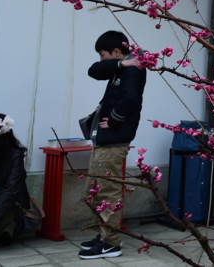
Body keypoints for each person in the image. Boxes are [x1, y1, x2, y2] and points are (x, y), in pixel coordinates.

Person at [78, 31, 146, 260]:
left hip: (114, 141)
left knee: (108, 192)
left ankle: (111, 243)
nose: (100, 60)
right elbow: (93, 71)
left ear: (116, 51)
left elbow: (132, 100)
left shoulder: (133, 71)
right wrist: (120, 62)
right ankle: (105, 235)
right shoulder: (121, 66)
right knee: (93, 192)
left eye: (102, 55)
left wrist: (115, 119)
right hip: (104, 142)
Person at [0, 114, 32, 247]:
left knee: (4, 214)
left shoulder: (15, 154)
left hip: (6, 204)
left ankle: (4, 232)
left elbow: (11, 191)